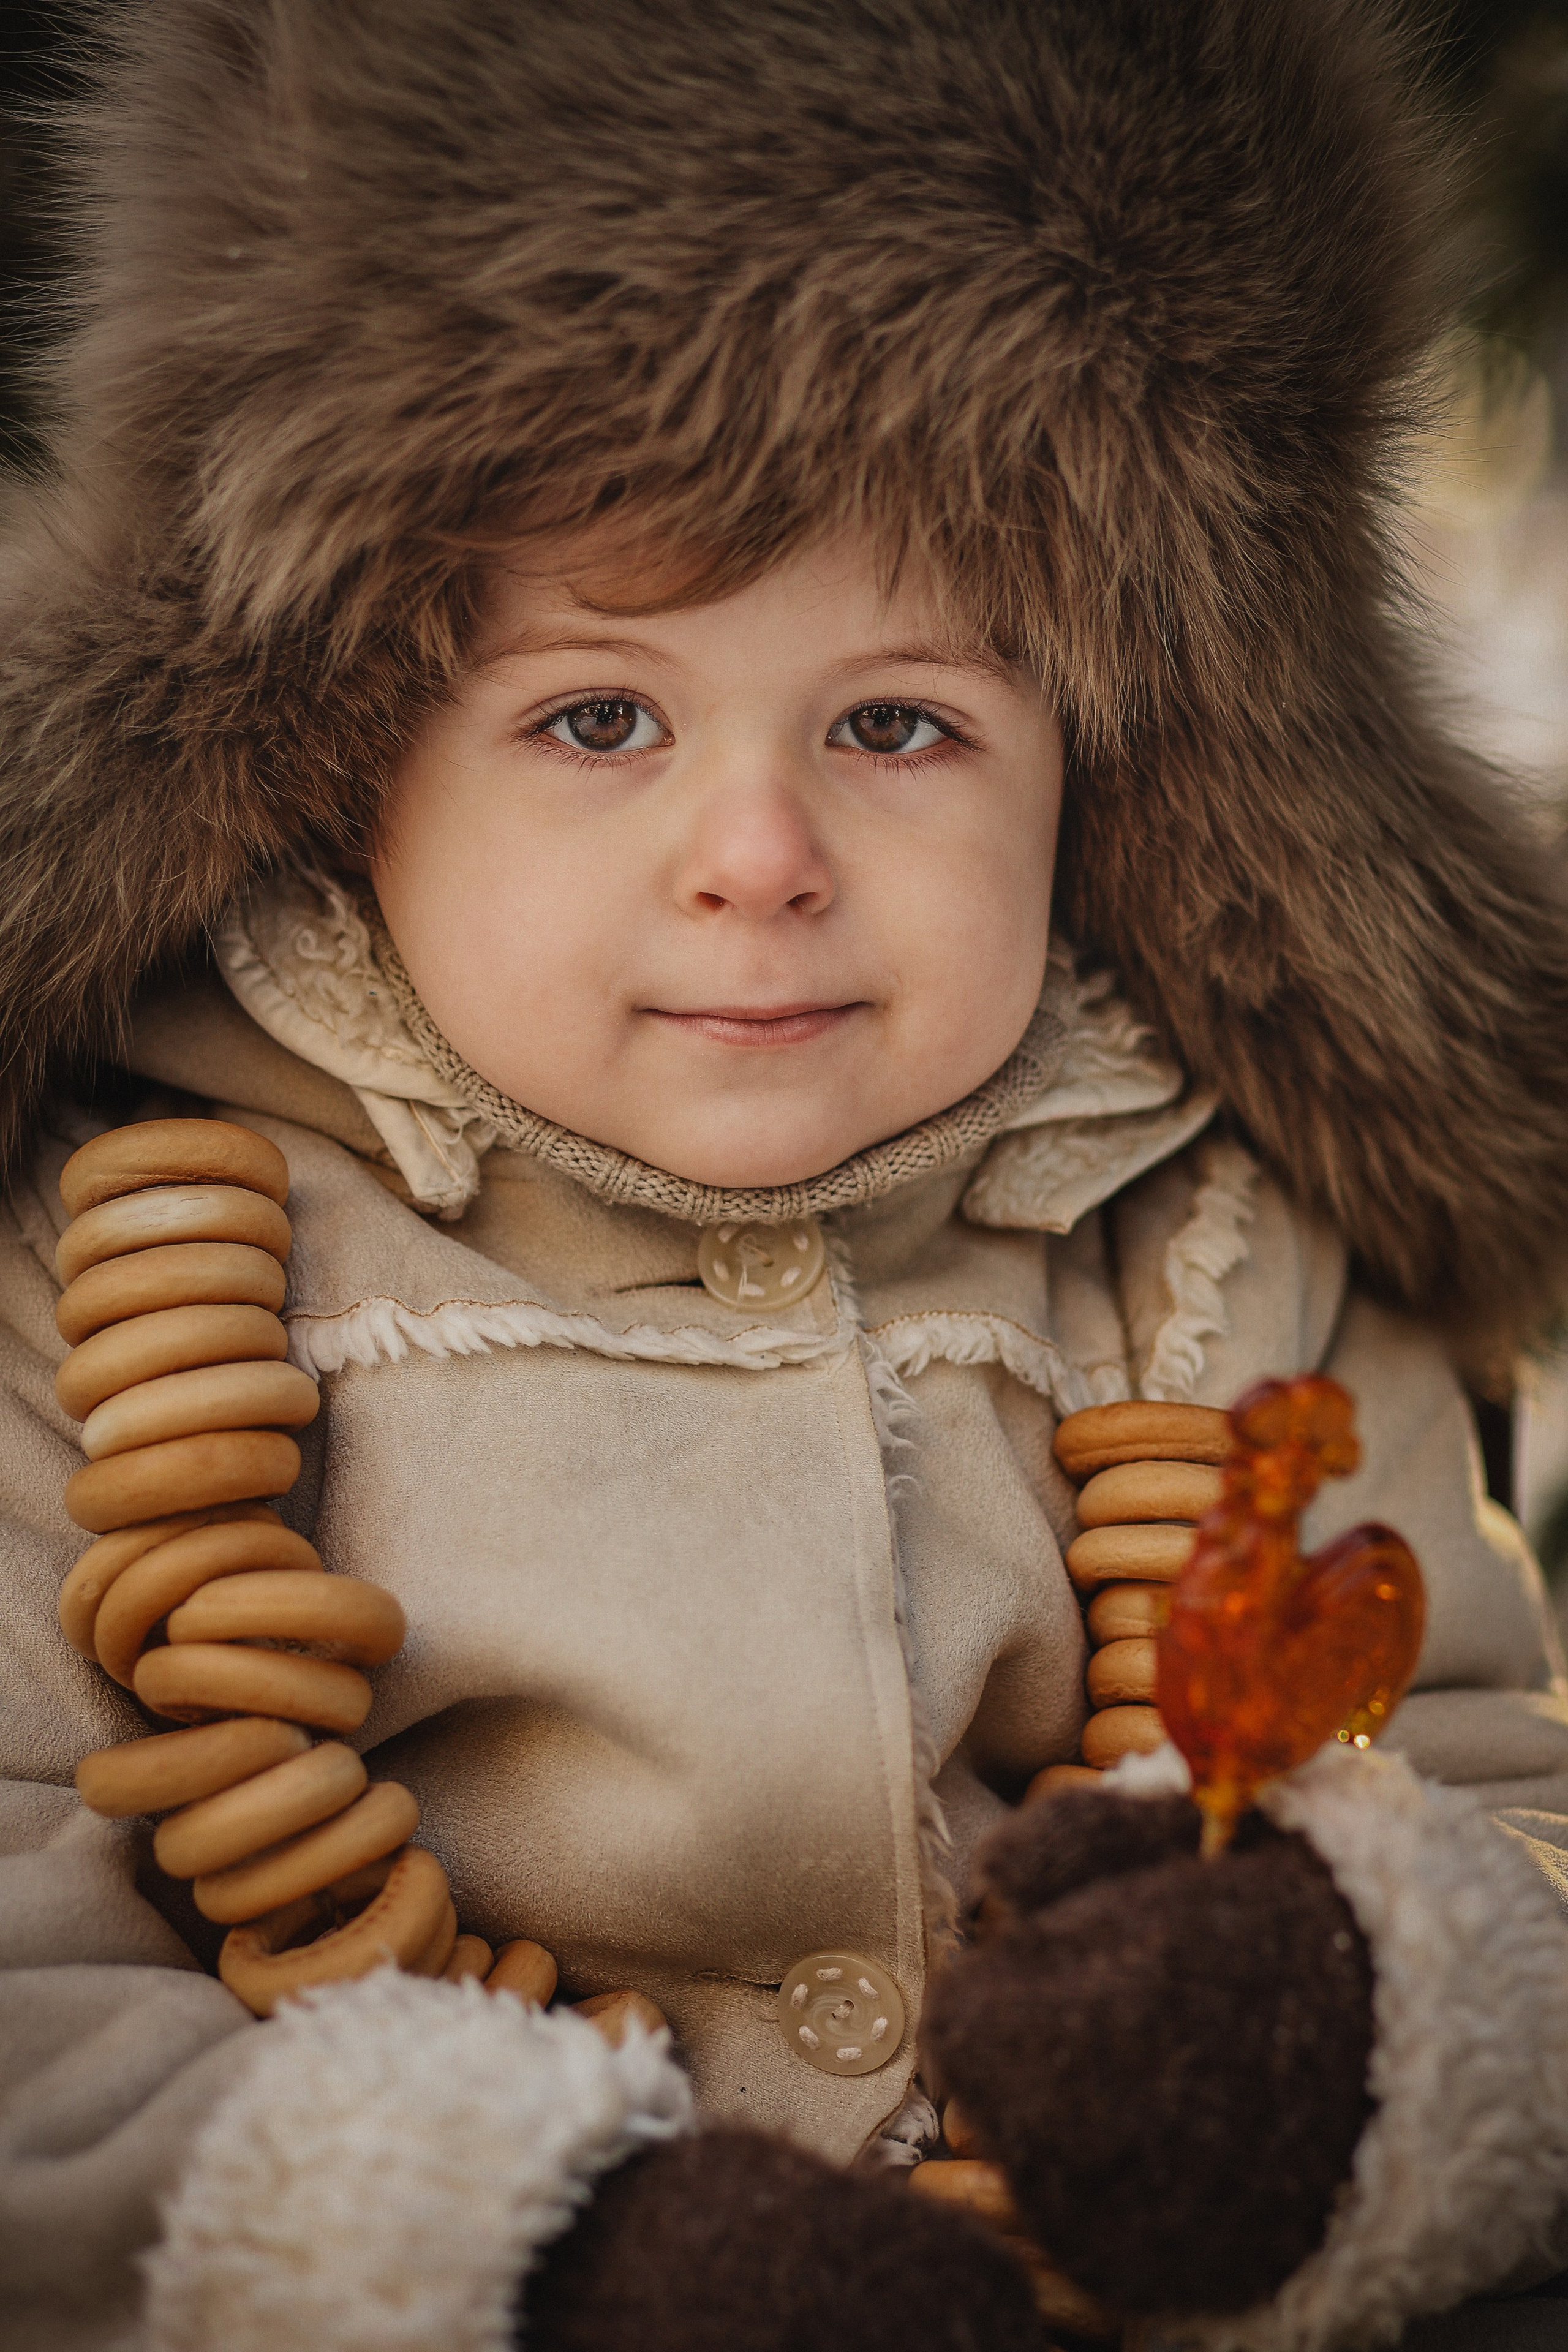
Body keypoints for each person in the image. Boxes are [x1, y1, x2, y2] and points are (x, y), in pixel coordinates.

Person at [4, 3, 1568, 2347]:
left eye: (902, 721)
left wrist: (1347, 2032)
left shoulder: (1226, 1261)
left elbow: (1490, 1812)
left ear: (1118, 771)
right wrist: (525, 2266)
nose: (759, 854)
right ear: (336, 756)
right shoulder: (107, 1268)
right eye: (599, 715)